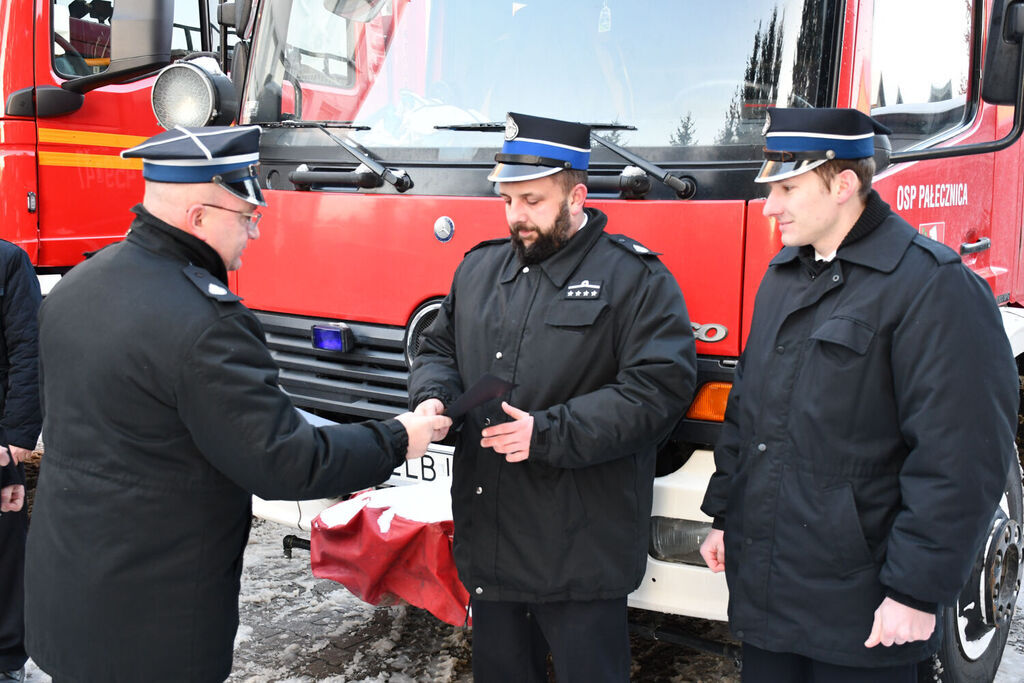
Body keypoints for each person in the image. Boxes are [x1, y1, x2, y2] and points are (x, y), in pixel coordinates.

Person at [23, 125, 451, 683]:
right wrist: (400, 435)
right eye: (247, 218)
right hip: (153, 620)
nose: (254, 233)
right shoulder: (206, 321)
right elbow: (286, 463)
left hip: (67, 591)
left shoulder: (82, 284)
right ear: (199, 217)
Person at [699, 107, 1019, 682]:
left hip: (866, 612)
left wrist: (917, 592)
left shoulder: (932, 287)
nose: (769, 205)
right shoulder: (785, 274)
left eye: (787, 188)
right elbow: (749, 409)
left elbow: (962, 459)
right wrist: (726, 513)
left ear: (844, 184)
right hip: (774, 597)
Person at [408, 112, 698, 682]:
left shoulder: (634, 279)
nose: (518, 217)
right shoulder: (479, 269)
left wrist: (549, 432)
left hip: (580, 555)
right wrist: (434, 398)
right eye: (508, 201)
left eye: (534, 201)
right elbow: (438, 348)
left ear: (577, 195)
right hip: (491, 545)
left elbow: (659, 390)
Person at [0, 242, 42, 683]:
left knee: (5, 550)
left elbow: (30, 351)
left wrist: (14, 439)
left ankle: (7, 659)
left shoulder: (7, 261)